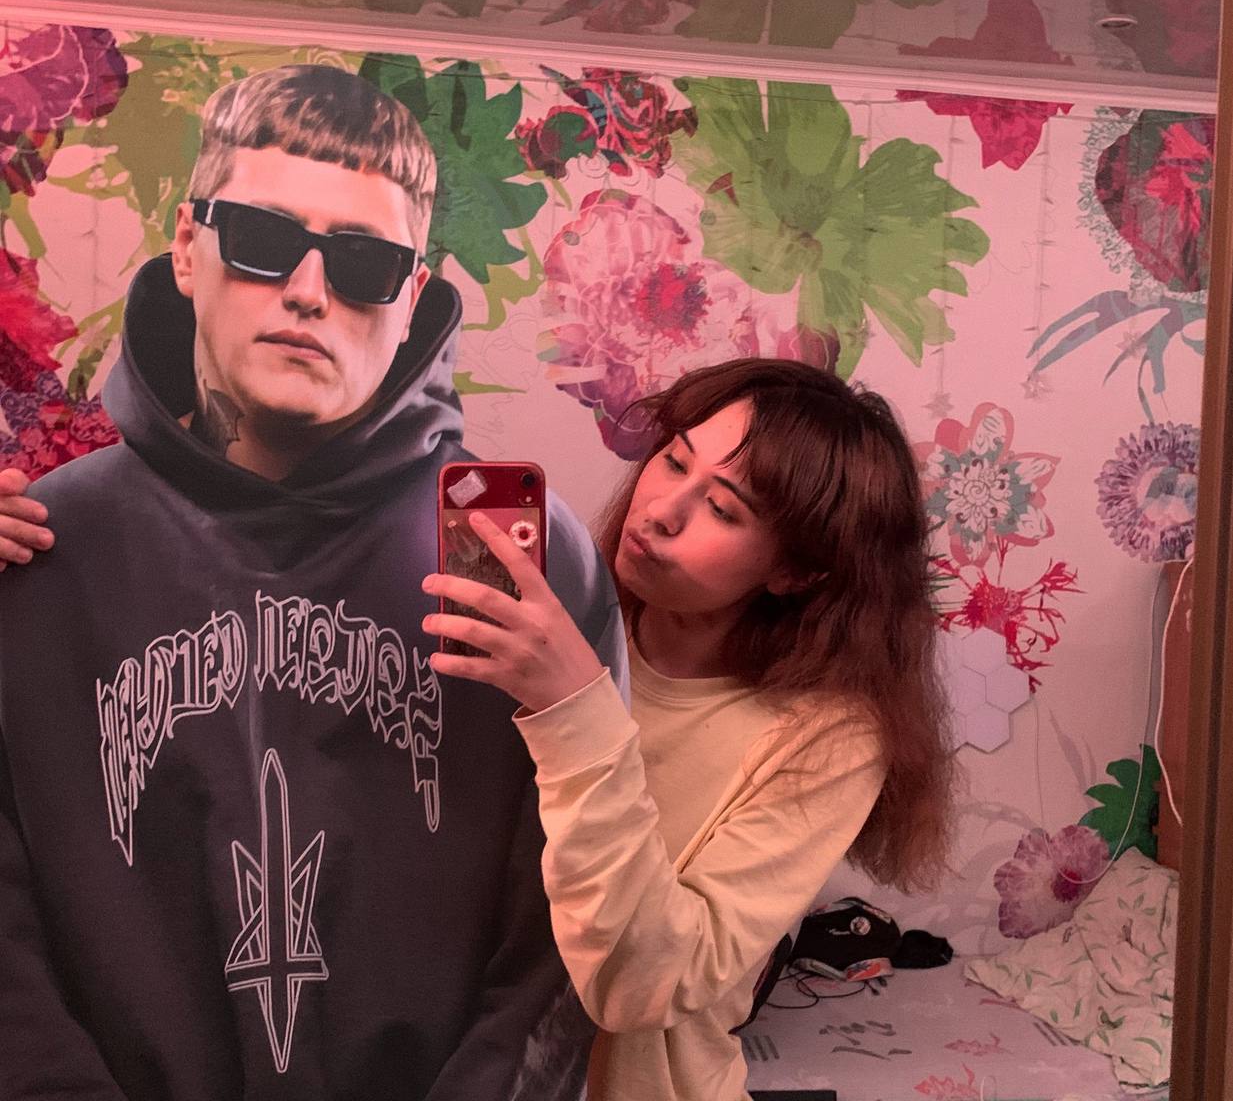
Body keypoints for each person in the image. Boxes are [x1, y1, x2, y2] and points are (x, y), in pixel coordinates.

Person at [0, 64, 627, 1101]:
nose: (305, 290)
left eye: (364, 261)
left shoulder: (517, 561)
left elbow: (565, 931)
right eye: (261, 238)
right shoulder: (41, 545)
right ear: (188, 247)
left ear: (412, 295)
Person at [419, 358, 954, 1101]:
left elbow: (643, 987)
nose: (662, 511)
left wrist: (575, 711)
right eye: (673, 461)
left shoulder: (828, 739)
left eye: (724, 510)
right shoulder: (557, 628)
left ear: (797, 573)